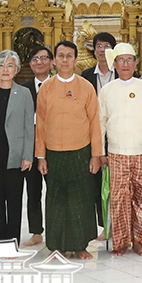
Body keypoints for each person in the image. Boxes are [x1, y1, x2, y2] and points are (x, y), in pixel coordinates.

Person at [36, 41, 100, 259]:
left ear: (75, 59)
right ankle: (58, 246)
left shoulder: (86, 87)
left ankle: (81, 245)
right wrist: (41, 156)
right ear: (54, 60)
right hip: (53, 152)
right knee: (56, 200)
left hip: (81, 151)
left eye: (69, 56)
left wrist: (95, 155)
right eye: (60, 55)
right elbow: (41, 124)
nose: (64, 60)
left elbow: (95, 123)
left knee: (80, 199)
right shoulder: (46, 88)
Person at [99, 42, 142, 257]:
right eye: (120, 60)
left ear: (136, 63)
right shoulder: (107, 90)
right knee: (119, 199)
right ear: (114, 64)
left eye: (129, 60)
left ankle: (139, 241)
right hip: (116, 153)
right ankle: (121, 241)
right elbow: (100, 123)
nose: (125, 64)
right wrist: (100, 152)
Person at [0, 50, 34, 242]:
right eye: (1, 65)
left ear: (16, 69)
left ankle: (12, 241)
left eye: (10, 65)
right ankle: (0, 241)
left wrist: (28, 155)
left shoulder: (24, 93)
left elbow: (29, 127)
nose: (5, 69)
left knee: (14, 201)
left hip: (16, 155)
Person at [83, 32, 117, 238]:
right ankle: (104, 227)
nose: (102, 50)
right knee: (97, 186)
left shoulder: (123, 73)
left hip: (118, 137)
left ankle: (121, 225)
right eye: (98, 46)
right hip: (92, 137)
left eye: (106, 46)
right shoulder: (86, 76)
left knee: (119, 185)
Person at [23, 45, 53, 247]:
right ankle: (36, 231)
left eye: (43, 58)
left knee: (55, 190)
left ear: (52, 62)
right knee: (33, 190)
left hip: (55, 146)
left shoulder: (60, 85)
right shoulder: (23, 89)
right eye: (34, 59)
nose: (39, 62)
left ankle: (56, 228)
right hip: (31, 147)